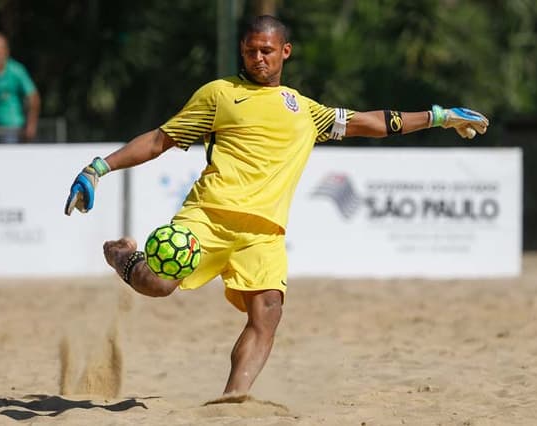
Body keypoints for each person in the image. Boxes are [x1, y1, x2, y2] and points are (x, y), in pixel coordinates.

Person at [64, 15, 489, 398]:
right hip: (208, 215)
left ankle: (233, 399)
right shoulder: (220, 94)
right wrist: (99, 167)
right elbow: (160, 140)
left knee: (267, 312)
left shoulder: (306, 111)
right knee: (157, 286)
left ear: (285, 51)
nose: (258, 58)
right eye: (250, 51)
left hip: (264, 232)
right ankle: (121, 252)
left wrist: (439, 116)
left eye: (266, 50)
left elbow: (372, 122)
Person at [0, 32, 40, 143]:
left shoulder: (17, 70)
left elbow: (33, 97)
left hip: (12, 128)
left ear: (6, 51)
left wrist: (31, 125)